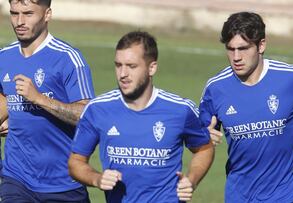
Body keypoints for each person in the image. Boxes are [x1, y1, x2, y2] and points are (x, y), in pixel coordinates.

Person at [199, 11, 293, 202]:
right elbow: (199, 138)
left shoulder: (290, 77)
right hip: (239, 195)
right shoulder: (215, 88)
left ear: (261, 45)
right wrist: (201, 137)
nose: (236, 57)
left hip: (287, 193)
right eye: (230, 49)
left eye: (243, 48)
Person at [68, 31, 214, 203]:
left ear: (152, 68)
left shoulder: (180, 110)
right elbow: (75, 162)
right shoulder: (98, 109)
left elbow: (204, 148)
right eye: (118, 65)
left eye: (131, 66)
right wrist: (97, 179)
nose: (123, 74)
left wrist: (191, 179)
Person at [0, 0, 95, 202]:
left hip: (63, 184)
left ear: (47, 14)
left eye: (28, 13)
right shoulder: (4, 57)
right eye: (14, 13)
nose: (19, 21)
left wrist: (38, 99)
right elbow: (4, 98)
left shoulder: (68, 58)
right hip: (16, 179)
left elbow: (88, 116)